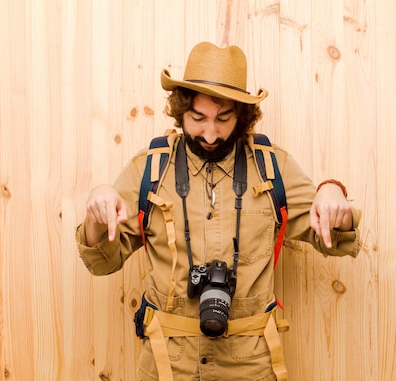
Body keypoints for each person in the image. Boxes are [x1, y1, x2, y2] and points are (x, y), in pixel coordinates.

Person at [76, 41, 361, 381]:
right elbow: (102, 260)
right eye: (198, 118)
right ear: (181, 111)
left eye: (223, 119)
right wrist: (96, 210)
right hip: (167, 364)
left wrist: (332, 192)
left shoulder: (272, 167)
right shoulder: (149, 170)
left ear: (241, 116)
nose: (210, 133)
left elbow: (332, 235)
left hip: (251, 365)